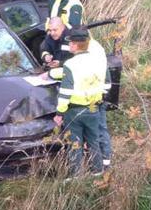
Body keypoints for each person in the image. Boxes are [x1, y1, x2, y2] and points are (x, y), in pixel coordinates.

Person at [43, 28, 108, 177]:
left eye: (70, 43)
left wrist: (59, 113)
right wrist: (51, 73)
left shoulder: (71, 65)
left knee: (75, 144)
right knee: (93, 141)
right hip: (93, 107)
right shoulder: (98, 61)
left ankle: (75, 175)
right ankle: (97, 171)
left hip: (74, 111)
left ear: (75, 45)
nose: (69, 45)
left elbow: (65, 93)